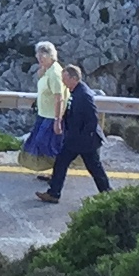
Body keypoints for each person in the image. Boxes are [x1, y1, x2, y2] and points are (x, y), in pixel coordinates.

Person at [40, 62, 113, 204]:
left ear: (74, 78)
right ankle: (54, 193)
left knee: (92, 167)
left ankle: (54, 193)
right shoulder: (75, 92)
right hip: (77, 139)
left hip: (84, 140)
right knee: (66, 163)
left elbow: (92, 119)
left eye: (65, 78)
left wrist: (82, 138)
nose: (63, 82)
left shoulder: (84, 95)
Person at [23, 40, 65, 169]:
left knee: (46, 143)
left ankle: (59, 169)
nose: (39, 58)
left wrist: (57, 120)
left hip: (52, 116)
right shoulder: (47, 70)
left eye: (43, 56)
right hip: (44, 114)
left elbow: (59, 98)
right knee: (41, 142)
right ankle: (55, 171)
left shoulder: (55, 73)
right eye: (38, 55)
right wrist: (42, 70)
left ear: (51, 56)